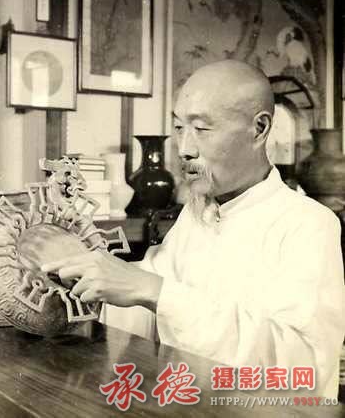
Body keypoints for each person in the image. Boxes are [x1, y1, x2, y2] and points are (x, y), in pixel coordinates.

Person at [42, 60, 345, 398]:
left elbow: (304, 366)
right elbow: (141, 300)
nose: (185, 148)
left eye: (201, 129)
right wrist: (83, 278)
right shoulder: (197, 212)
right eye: (178, 127)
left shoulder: (309, 224)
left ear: (259, 129)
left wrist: (157, 292)